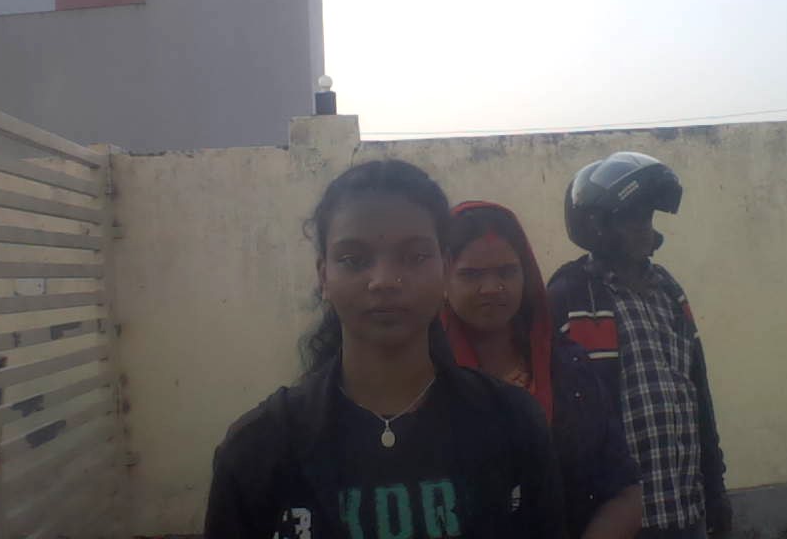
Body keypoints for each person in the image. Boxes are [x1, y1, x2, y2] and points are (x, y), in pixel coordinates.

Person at [205, 160, 566, 539]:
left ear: (444, 268)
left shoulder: (513, 423)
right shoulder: (260, 449)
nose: (384, 281)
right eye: (353, 260)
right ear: (324, 276)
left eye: (415, 257)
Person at [546, 153, 732, 539]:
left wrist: (716, 492)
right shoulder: (569, 295)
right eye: (632, 218)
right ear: (597, 226)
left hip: (685, 510)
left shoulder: (669, 291)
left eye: (648, 217)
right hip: (618, 521)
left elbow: (698, 396)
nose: (645, 228)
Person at [440, 201, 644, 539]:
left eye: (506, 271)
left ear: (527, 275)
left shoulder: (570, 369)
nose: (491, 287)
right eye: (471, 274)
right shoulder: (422, 377)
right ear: (443, 279)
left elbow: (625, 491)